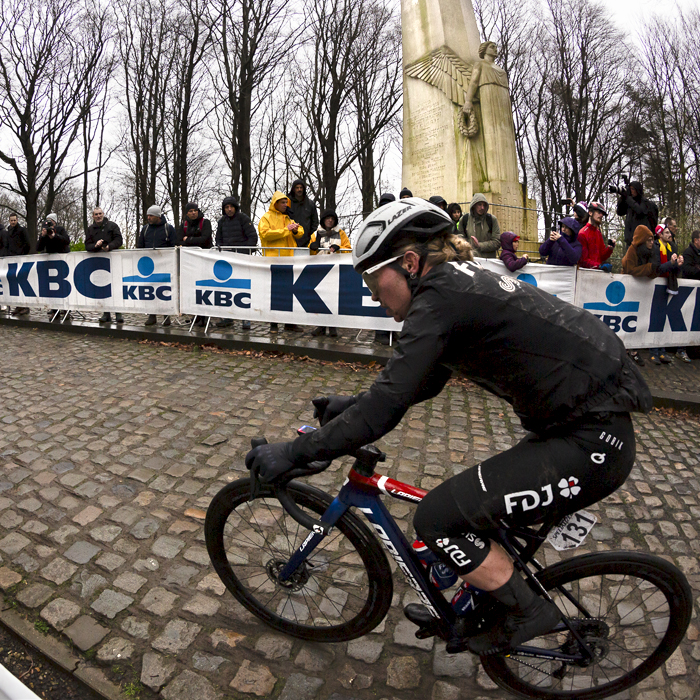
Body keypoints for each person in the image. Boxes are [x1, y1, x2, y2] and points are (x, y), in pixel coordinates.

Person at [245, 197, 651, 655]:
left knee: (437, 519)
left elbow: (388, 406)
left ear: (410, 263)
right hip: (577, 423)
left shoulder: (438, 297)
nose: (374, 297)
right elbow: (425, 381)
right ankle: (479, 599)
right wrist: (353, 404)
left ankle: (530, 612)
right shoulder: (452, 285)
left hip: (592, 442)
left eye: (374, 281)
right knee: (470, 509)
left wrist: (295, 452)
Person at [258, 191, 305, 332]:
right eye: (283, 202)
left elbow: (301, 231)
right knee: (275, 293)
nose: (285, 205)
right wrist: (286, 230)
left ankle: (289, 323)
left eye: (286, 202)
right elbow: (265, 234)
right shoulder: (266, 218)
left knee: (290, 293)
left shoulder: (288, 217)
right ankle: (274, 324)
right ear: (275, 203)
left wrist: (295, 230)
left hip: (289, 260)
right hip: (273, 260)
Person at [214, 197, 256, 330]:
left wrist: (239, 251)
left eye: (231, 207)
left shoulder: (243, 218)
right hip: (227, 261)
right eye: (226, 207)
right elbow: (218, 239)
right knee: (227, 289)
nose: (229, 209)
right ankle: (228, 317)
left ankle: (246, 318)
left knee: (243, 288)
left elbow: (253, 239)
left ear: (235, 207)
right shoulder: (222, 221)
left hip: (242, 260)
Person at [309, 209, 351, 338]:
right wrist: (312, 247)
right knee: (321, 299)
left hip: (335, 270)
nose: (330, 220)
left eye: (332, 219)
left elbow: (348, 249)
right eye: (328, 218)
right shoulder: (315, 234)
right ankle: (321, 326)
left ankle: (333, 327)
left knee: (332, 299)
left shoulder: (341, 233)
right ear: (323, 220)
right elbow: (309, 253)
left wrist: (340, 249)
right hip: (320, 269)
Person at [621, 225, 655, 367]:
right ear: (642, 240)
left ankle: (634, 351)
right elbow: (629, 269)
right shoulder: (632, 251)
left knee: (638, 319)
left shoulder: (649, 251)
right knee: (627, 319)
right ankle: (625, 350)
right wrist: (649, 269)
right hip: (630, 290)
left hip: (641, 290)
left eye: (652, 240)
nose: (652, 242)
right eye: (649, 240)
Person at [136, 205, 176, 327]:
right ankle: (152, 315)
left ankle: (166, 316)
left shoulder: (168, 228)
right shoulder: (145, 229)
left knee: (164, 290)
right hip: (148, 265)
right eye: (148, 215)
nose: (148, 217)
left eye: (151, 215)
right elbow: (140, 245)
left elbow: (174, 245)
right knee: (150, 290)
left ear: (158, 216)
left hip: (164, 264)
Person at [648, 225, 683, 365]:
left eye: (669, 232)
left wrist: (678, 264)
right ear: (659, 235)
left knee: (663, 319)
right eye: (666, 232)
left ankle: (661, 350)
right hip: (656, 284)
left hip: (668, 284)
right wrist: (671, 262)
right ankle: (653, 351)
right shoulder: (656, 248)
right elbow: (658, 268)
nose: (670, 234)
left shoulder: (671, 247)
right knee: (655, 318)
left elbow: (671, 267)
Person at [85, 207, 124, 324]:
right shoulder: (90, 229)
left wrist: (109, 247)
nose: (98, 216)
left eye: (100, 214)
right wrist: (95, 246)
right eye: (96, 214)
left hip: (113, 260)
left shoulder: (112, 226)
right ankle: (106, 313)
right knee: (103, 288)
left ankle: (118, 313)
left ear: (103, 214)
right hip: (99, 262)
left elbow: (119, 240)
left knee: (115, 287)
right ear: (93, 216)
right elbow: (87, 245)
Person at [37, 217, 71, 322]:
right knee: (53, 287)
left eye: (50, 226)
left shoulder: (60, 230)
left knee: (64, 286)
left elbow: (66, 241)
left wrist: (54, 236)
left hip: (63, 262)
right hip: (51, 263)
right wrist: (43, 237)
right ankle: (54, 310)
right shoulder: (44, 235)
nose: (49, 229)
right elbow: (38, 248)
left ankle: (66, 310)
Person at [615, 180, 658, 249]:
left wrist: (628, 198)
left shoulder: (645, 202)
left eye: (633, 189)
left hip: (642, 242)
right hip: (630, 241)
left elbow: (639, 211)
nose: (631, 191)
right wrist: (623, 197)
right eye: (630, 189)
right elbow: (620, 212)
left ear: (638, 190)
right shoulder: (629, 203)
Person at [458, 193, 501, 259]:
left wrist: (480, 245)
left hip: (488, 261)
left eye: (484, 205)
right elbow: (460, 240)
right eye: (479, 204)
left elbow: (497, 242)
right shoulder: (464, 220)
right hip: (471, 261)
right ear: (474, 205)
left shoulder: (492, 220)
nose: (482, 207)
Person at [4, 214, 31, 316]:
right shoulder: (8, 232)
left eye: (15, 220)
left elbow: (27, 244)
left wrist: (22, 254)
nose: (13, 222)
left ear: (17, 220)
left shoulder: (22, 230)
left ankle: (25, 306)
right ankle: (18, 306)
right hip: (11, 260)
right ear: (9, 221)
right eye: (11, 220)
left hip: (20, 259)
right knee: (15, 283)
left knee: (22, 282)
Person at [578, 202, 614, 270]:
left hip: (597, 273)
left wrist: (610, 249)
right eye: (598, 212)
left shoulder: (598, 233)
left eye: (602, 213)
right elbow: (583, 260)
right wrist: (599, 266)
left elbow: (602, 256)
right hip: (585, 274)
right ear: (590, 213)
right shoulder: (582, 233)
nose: (601, 215)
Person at [288, 180, 318, 249]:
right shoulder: (287, 203)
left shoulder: (310, 204)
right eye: (297, 187)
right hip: (290, 240)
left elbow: (315, 221)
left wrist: (310, 235)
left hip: (306, 241)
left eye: (301, 188)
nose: (299, 189)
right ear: (293, 189)